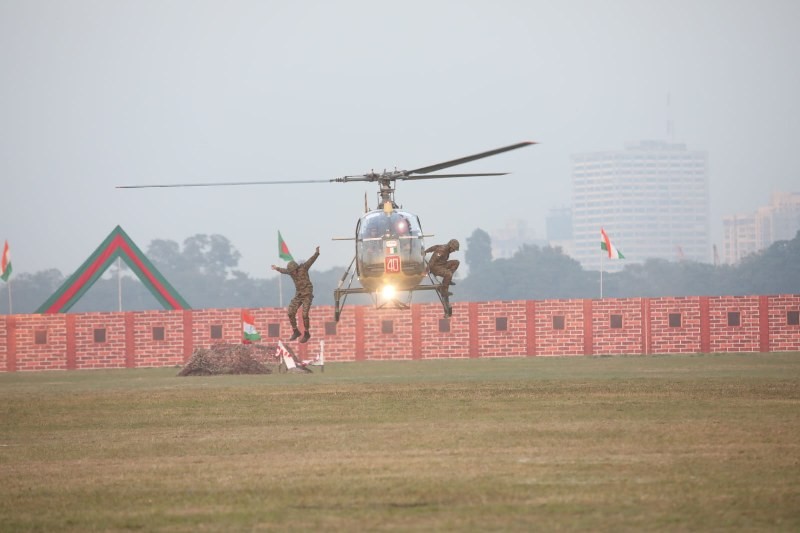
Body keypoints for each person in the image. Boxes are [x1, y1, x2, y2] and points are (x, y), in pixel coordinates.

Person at [271, 246, 320, 343]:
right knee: (290, 312)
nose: (292, 273)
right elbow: (284, 271)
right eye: (291, 272)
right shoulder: (291, 272)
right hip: (299, 295)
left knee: (304, 314)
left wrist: (316, 253)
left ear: (296, 268)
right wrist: (276, 268)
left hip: (307, 295)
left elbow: (311, 260)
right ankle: (295, 331)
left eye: (293, 271)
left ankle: (306, 333)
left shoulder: (304, 268)